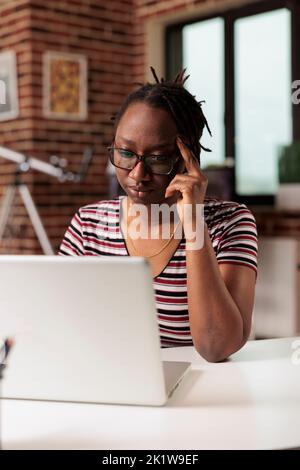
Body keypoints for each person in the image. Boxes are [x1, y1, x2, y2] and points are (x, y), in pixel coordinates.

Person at [59, 68, 258, 362]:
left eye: (158, 158)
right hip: (110, 381)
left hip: (204, 392)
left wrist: (193, 225)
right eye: (125, 153)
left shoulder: (230, 222)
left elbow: (216, 347)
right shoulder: (88, 225)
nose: (138, 174)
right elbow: (59, 323)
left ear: (187, 158)